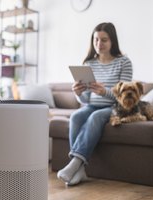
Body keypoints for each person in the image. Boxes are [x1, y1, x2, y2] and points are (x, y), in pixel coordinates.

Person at [57, 22, 133, 186]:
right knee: (76, 116)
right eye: (96, 40)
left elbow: (126, 95)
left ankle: (75, 164)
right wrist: (78, 93)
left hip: (115, 107)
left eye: (104, 40)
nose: (99, 44)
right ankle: (80, 171)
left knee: (95, 117)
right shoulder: (89, 63)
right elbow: (86, 100)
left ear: (112, 41)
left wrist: (104, 92)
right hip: (93, 105)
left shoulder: (124, 62)